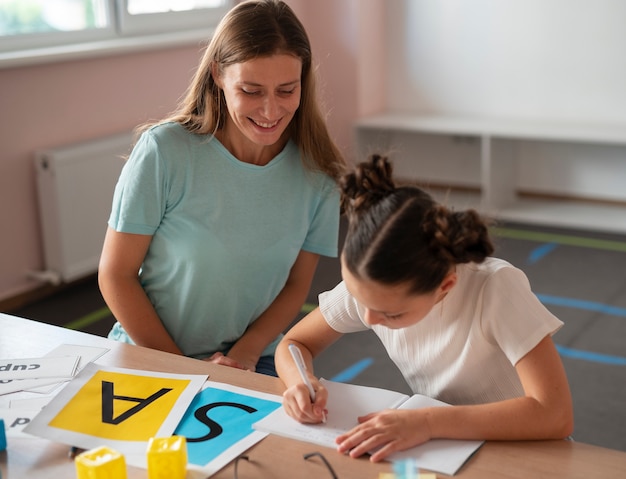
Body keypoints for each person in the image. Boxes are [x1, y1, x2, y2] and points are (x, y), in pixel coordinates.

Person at [98, 0, 346, 377]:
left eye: (286, 90)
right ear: (217, 74)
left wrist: (244, 355)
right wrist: (182, 368)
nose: (269, 110)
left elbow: (296, 286)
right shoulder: (164, 152)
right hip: (151, 353)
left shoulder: (318, 173)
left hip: (249, 359)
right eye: (251, 90)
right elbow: (115, 275)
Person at [275, 154, 574, 461]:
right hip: (449, 445)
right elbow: (294, 343)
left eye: (391, 314)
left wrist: (428, 421)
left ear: (445, 286)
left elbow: (555, 413)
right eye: (358, 297)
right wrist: (300, 383)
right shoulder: (370, 284)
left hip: (526, 449)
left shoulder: (496, 287)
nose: (367, 317)